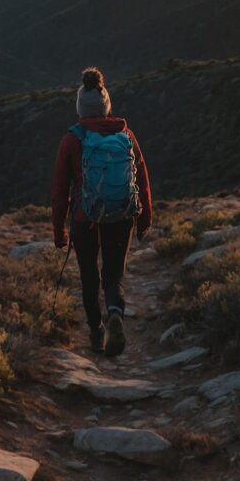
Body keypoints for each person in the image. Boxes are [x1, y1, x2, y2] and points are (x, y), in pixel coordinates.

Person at [51, 67, 152, 356]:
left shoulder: (72, 140)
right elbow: (141, 178)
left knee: (88, 276)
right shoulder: (125, 134)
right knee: (113, 275)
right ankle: (115, 313)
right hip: (121, 215)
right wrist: (144, 217)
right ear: (106, 105)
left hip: (85, 219)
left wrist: (59, 229)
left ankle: (96, 332)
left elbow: (59, 191)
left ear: (81, 108)